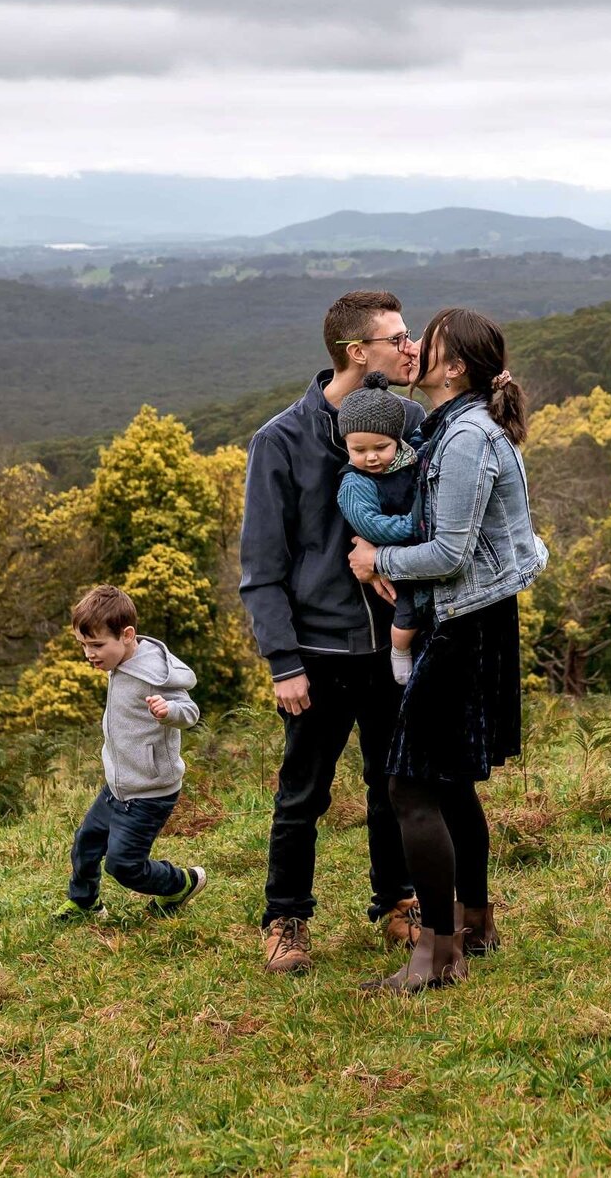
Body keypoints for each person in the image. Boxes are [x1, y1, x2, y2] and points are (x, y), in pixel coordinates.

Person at [348, 307, 547, 991]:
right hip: (475, 619)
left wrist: (380, 559)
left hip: (465, 626)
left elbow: (451, 551)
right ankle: (475, 923)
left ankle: (436, 957)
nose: (408, 349)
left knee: (410, 785)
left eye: (421, 343)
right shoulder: (455, 427)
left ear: (454, 366)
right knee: (451, 779)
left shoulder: (465, 438)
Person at [241, 291, 426, 975]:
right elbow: (262, 567)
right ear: (359, 352)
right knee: (302, 794)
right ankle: (286, 916)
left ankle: (397, 901)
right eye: (397, 337)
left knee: (393, 783)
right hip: (316, 654)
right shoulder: (280, 441)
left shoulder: (406, 421)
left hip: (393, 645)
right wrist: (282, 661)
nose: (409, 347)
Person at [54, 585, 207, 920]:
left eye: (96, 645)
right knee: (85, 845)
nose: (89, 654)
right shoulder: (119, 660)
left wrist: (168, 710)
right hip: (118, 787)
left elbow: (190, 711)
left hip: (150, 793)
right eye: (83, 645)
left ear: (127, 635)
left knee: (124, 866)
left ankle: (181, 884)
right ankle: (85, 903)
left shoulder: (153, 674)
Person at [335, 372, 430, 685]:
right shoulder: (355, 482)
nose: (371, 457)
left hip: (423, 550)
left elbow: (421, 444)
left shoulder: (406, 458)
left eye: (381, 447)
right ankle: (400, 651)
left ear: (396, 441)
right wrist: (411, 525)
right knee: (408, 610)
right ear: (346, 445)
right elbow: (370, 526)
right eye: (359, 450)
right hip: (395, 553)